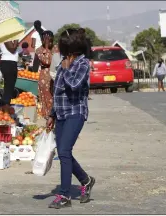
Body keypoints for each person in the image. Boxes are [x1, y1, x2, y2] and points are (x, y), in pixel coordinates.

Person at [46, 28, 95, 209]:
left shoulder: (83, 64)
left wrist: (66, 71)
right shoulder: (64, 63)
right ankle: (86, 180)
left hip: (76, 112)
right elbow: (57, 92)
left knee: (65, 151)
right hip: (61, 113)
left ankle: (64, 195)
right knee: (63, 152)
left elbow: (74, 85)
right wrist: (51, 114)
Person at [35, 30, 56, 119]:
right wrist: (47, 48)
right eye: (46, 40)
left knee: (54, 98)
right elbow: (47, 61)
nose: (48, 42)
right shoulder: (39, 50)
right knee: (46, 98)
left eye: (50, 40)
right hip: (45, 77)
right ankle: (48, 118)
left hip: (55, 76)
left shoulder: (56, 48)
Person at [0, 40, 20, 105]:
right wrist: (16, 40)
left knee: (10, 87)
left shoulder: (11, 37)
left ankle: (4, 105)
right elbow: (12, 49)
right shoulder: (7, 36)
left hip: (11, 63)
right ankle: (5, 106)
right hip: (8, 63)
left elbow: (17, 50)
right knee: (9, 88)